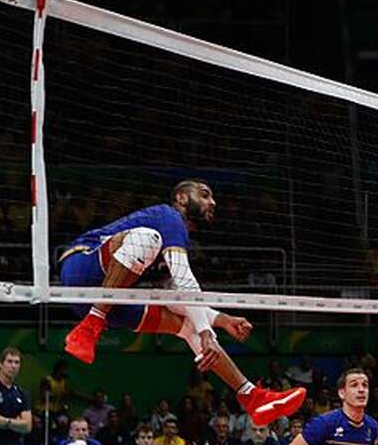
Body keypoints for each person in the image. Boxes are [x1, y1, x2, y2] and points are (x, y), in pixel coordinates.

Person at [58, 179, 305, 427]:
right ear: (183, 199)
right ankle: (92, 323)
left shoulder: (174, 245)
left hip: (110, 300)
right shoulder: (168, 217)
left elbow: (180, 296)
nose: (213, 202)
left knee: (188, 325)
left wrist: (220, 319)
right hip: (82, 268)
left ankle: (251, 397)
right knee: (147, 238)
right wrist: (207, 332)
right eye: (205, 195)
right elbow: (185, 277)